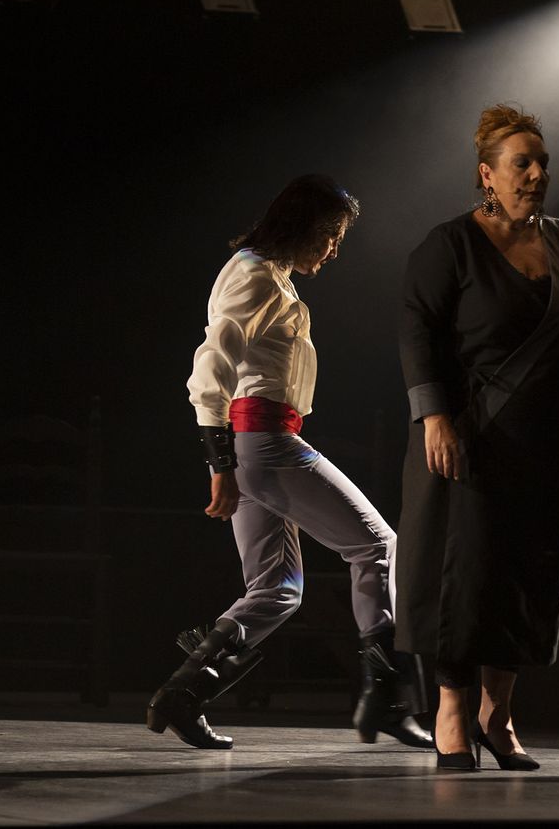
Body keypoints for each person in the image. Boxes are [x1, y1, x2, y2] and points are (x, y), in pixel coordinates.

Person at [147, 175, 432, 752]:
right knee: (377, 546)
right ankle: (388, 699)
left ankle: (183, 693)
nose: (333, 248)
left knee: (278, 587)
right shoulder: (253, 276)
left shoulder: (268, 276)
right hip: (265, 445)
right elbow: (212, 368)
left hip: (262, 444)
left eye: (339, 237)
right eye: (328, 234)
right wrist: (219, 463)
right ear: (298, 226)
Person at [397, 104, 559, 771]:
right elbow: (417, 331)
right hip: (470, 439)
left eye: (543, 162)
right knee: (466, 576)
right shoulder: (450, 245)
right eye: (522, 163)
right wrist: (434, 417)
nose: (537, 174)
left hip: (543, 442)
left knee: (529, 574)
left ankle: (499, 713)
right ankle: (452, 712)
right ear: (485, 175)